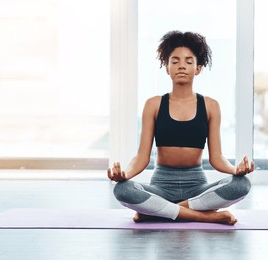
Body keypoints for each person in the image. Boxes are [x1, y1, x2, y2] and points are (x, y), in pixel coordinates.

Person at [107, 31, 254, 225]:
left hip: (197, 187)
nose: (181, 66)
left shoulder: (210, 106)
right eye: (174, 61)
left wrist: (235, 170)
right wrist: (125, 175)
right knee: (122, 190)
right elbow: (142, 157)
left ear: (198, 68)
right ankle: (204, 216)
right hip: (161, 186)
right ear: (167, 68)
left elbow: (217, 158)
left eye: (188, 61)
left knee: (241, 185)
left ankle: (157, 211)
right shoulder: (154, 104)